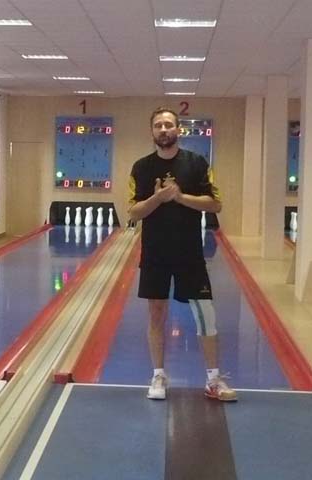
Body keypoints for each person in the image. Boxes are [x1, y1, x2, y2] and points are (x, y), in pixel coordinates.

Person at [127, 108, 237, 402]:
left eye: (168, 124)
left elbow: (215, 204)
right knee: (156, 314)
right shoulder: (141, 167)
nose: (163, 129)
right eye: (158, 125)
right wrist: (157, 198)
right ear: (152, 131)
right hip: (155, 252)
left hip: (189, 252)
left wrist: (179, 197)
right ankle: (158, 375)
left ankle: (213, 380)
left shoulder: (197, 163)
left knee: (206, 314)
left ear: (178, 129)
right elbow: (133, 212)